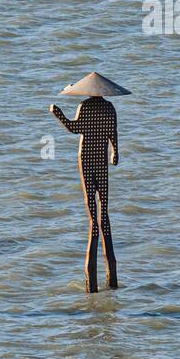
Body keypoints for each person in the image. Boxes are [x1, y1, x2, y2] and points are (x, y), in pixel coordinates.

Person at [49, 71, 130, 292]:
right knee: (103, 205)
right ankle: (111, 276)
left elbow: (75, 129)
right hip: (101, 161)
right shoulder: (109, 108)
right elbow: (113, 133)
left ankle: (95, 227)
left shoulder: (85, 107)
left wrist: (58, 115)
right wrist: (115, 152)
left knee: (91, 205)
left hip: (87, 160)